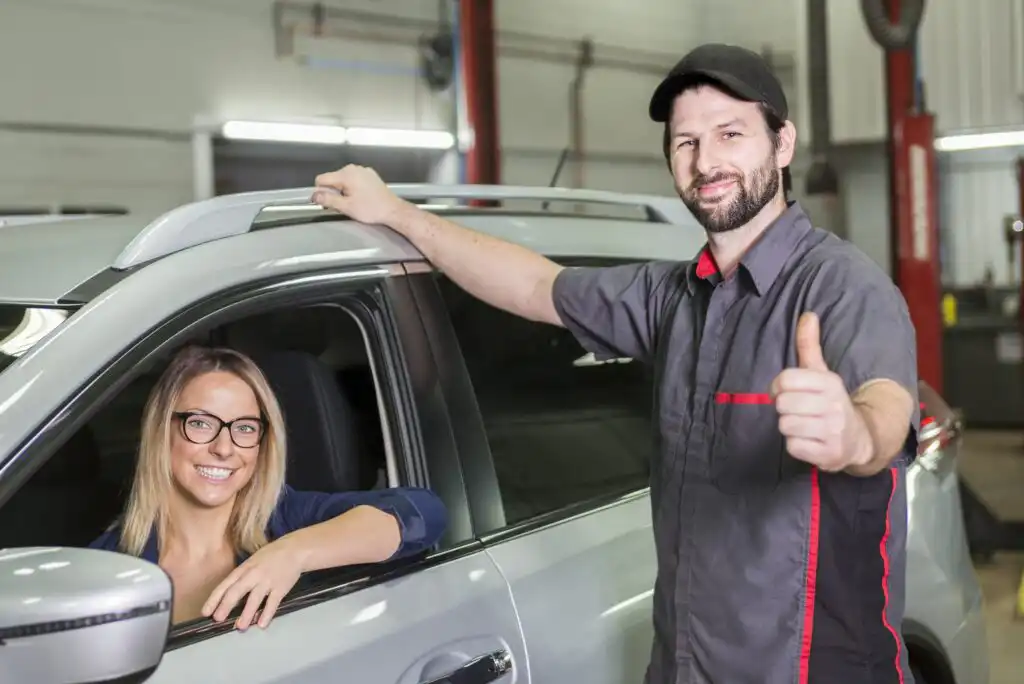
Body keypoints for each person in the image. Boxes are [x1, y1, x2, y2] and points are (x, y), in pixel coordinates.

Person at [312, 42, 920, 684]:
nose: (706, 160)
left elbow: (885, 410)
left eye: (730, 134)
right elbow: (535, 286)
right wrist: (399, 214)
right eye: (685, 142)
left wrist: (852, 434)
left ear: (783, 143)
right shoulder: (673, 298)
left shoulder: (844, 289)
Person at [90, 345, 448, 631]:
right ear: (160, 431)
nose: (224, 448)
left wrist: (294, 553)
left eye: (244, 428)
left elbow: (424, 512)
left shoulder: (287, 520)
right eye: (200, 423)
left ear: (263, 442)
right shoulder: (106, 563)